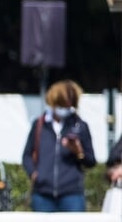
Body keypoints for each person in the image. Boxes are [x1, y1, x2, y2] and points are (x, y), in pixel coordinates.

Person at [21, 80, 96, 212]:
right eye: (62, 105)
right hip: (43, 193)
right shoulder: (39, 125)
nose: (65, 110)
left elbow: (90, 161)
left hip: (72, 194)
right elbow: (27, 155)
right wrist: (34, 174)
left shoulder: (80, 126)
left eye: (69, 106)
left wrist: (79, 152)